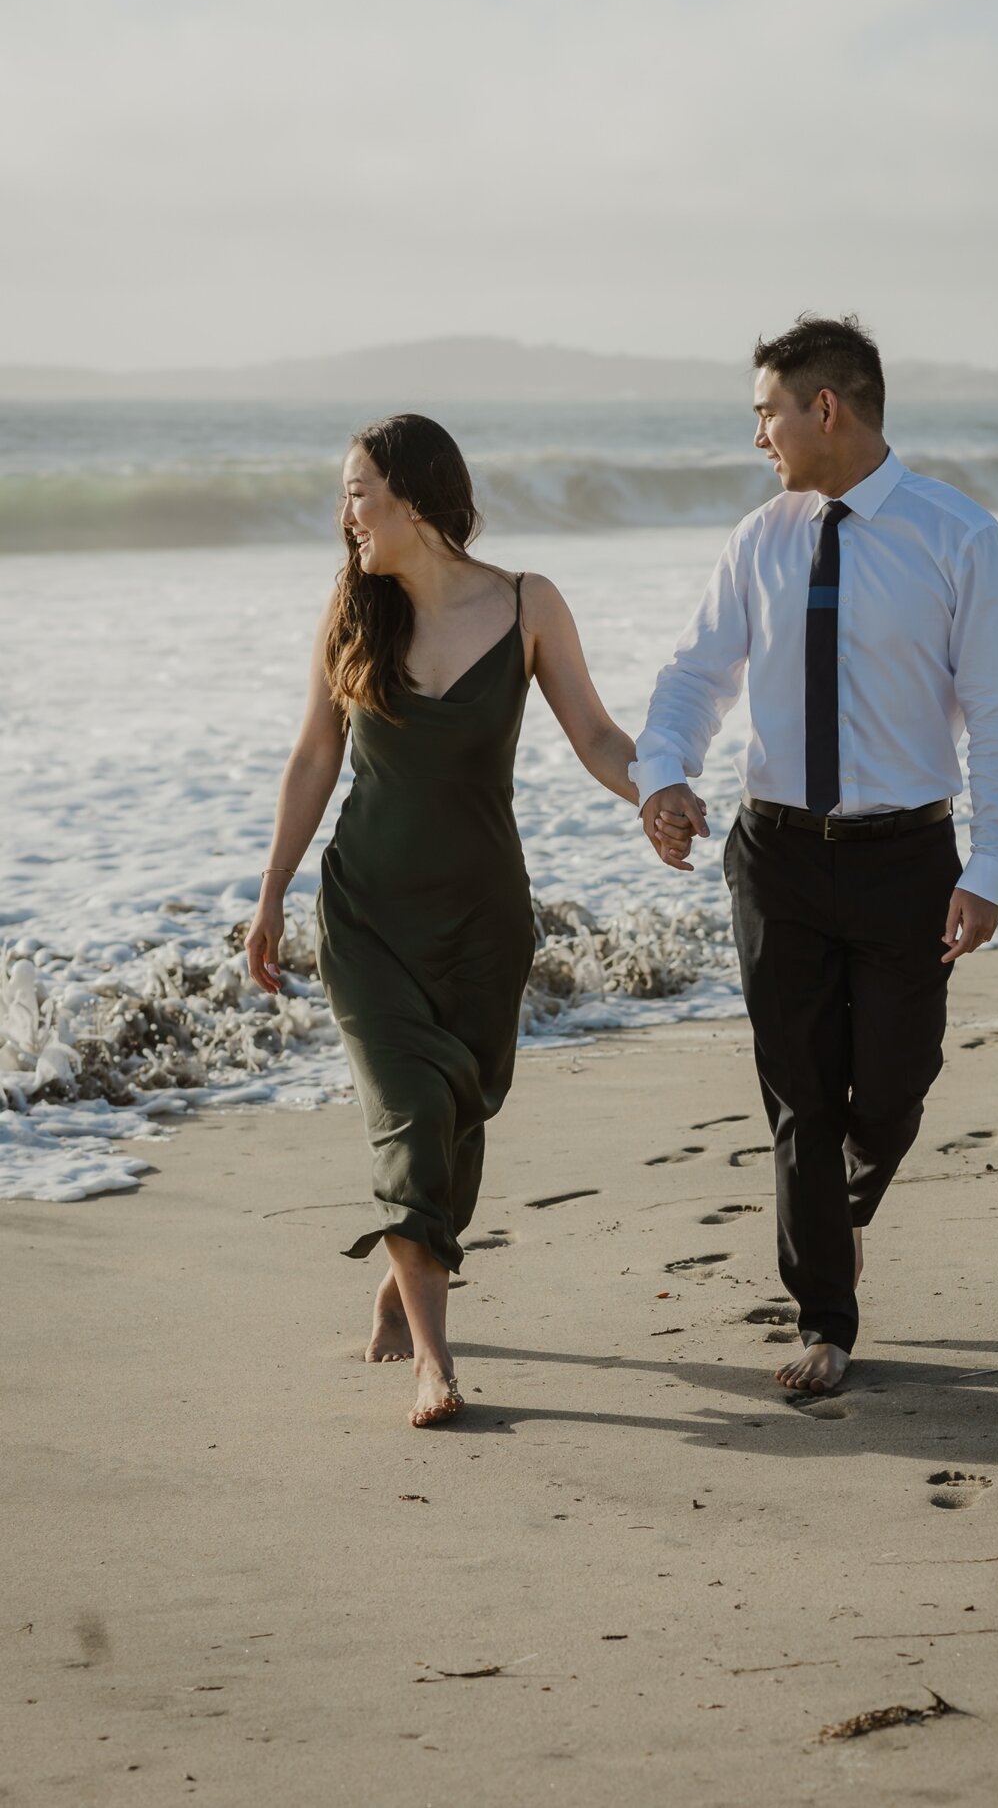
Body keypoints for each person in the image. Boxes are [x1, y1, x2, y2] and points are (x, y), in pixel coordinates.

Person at [633, 314, 998, 1400]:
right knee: (797, 1091)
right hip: (774, 855)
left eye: (767, 410)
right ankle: (826, 1314)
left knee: (896, 1081)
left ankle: (841, 1208)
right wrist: (663, 771)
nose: (757, 435)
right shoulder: (759, 537)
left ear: (827, 408)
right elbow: (692, 676)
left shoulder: (960, 535)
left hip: (908, 854)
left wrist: (990, 863)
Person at [245, 414, 644, 1427]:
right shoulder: (350, 613)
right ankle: (435, 1361)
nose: (345, 514)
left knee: (461, 1118)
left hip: (482, 923)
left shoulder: (525, 603)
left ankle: (401, 1269)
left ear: (417, 496)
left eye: (358, 491)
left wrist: (657, 790)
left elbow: (594, 730)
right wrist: (271, 891)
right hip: (367, 915)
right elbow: (310, 760)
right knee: (415, 1116)